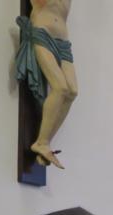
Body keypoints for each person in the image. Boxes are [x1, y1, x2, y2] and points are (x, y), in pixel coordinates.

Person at [15, 0, 77, 169]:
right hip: (42, 33)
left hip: (63, 42)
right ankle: (42, 142)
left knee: (72, 91)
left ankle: (45, 143)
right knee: (60, 87)